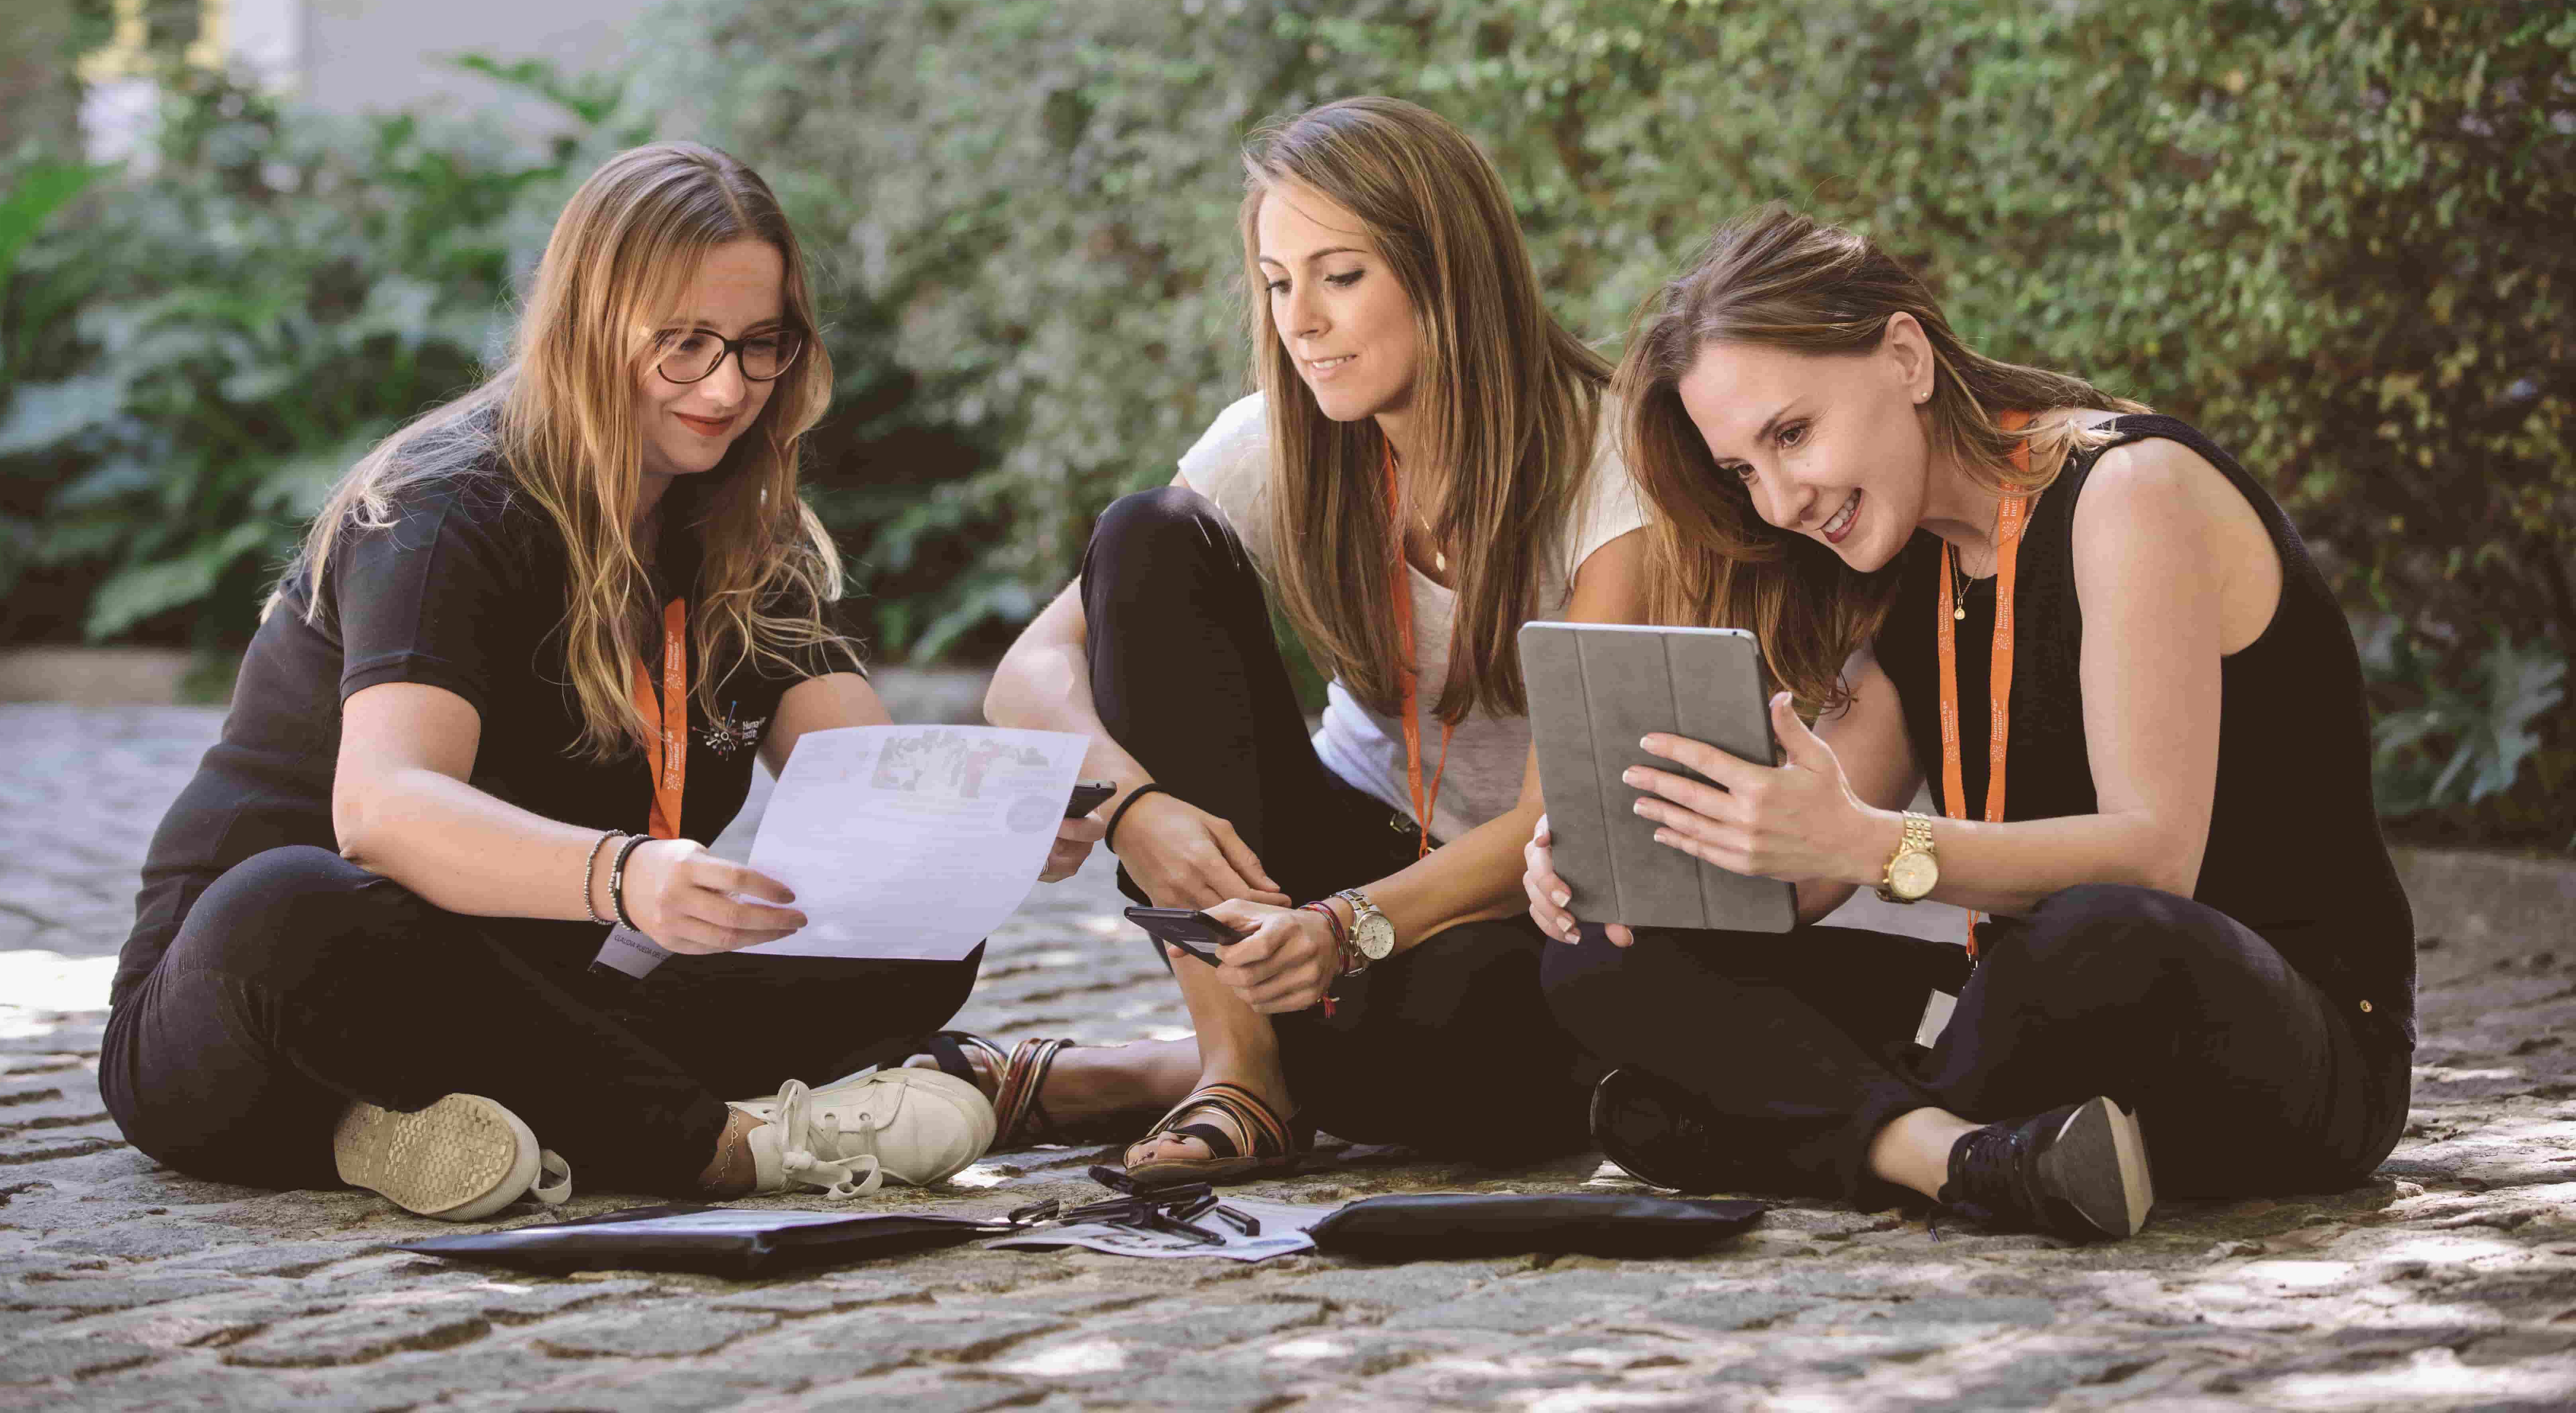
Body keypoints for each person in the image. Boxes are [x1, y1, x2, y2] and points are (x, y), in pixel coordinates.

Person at [97, 142, 1166, 1221]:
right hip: (266, 1012)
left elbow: (870, 779)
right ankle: (730, 1147)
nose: (727, 388)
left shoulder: (750, 532)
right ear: (587, 327)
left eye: (760, 346)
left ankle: (465, 1126)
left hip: (547, 1013)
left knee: (910, 933)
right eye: (683, 345)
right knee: (290, 904)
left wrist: (984, 827)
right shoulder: (443, 508)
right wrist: (626, 877)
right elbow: (383, 814)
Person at [1526, 203, 2415, 1239]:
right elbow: (1804, 876)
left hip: (2266, 1032)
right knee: (1605, 955)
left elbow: (2155, 860)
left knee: (2094, 935)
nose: (1778, 503)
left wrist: (1866, 844)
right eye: (1743, 472)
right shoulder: (1909, 563)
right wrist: (1630, 861)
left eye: (1791, 435)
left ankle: (1821, 1126)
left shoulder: (2130, 489)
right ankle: (1958, 1155)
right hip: (2026, 1006)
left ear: (1906, 357)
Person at [987, 96, 1651, 1186]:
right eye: (1277, 282)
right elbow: (1028, 673)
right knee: (1146, 535)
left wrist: (1342, 931)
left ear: (1448, 274)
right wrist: (1132, 805)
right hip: (1344, 843)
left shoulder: (1609, 451)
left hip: (1526, 889)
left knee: (1472, 1074)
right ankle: (1241, 1074)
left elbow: (1560, 817)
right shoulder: (1274, 442)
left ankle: (1125, 1076)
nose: (1301, 321)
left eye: (1340, 276)